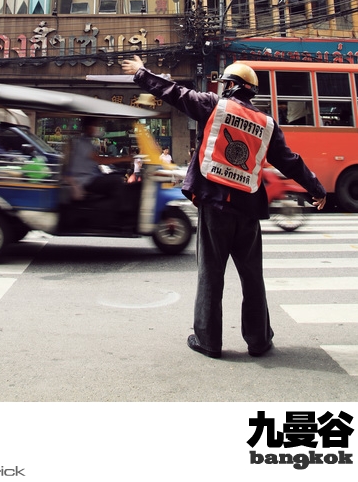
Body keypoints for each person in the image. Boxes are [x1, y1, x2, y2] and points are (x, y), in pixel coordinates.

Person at [122, 56, 327, 359]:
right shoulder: (267, 124)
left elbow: (174, 93)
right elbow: (289, 161)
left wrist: (142, 73)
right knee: (252, 278)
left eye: (223, 84)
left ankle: (208, 341)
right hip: (247, 209)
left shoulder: (213, 105)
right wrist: (316, 189)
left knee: (211, 274)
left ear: (230, 86)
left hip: (215, 206)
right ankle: (259, 341)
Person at [63, 116, 127, 203]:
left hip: (92, 177)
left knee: (115, 176)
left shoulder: (88, 142)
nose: (98, 128)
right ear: (89, 127)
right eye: (96, 125)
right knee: (117, 181)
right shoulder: (83, 143)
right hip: (86, 181)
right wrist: (124, 158)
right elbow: (100, 160)